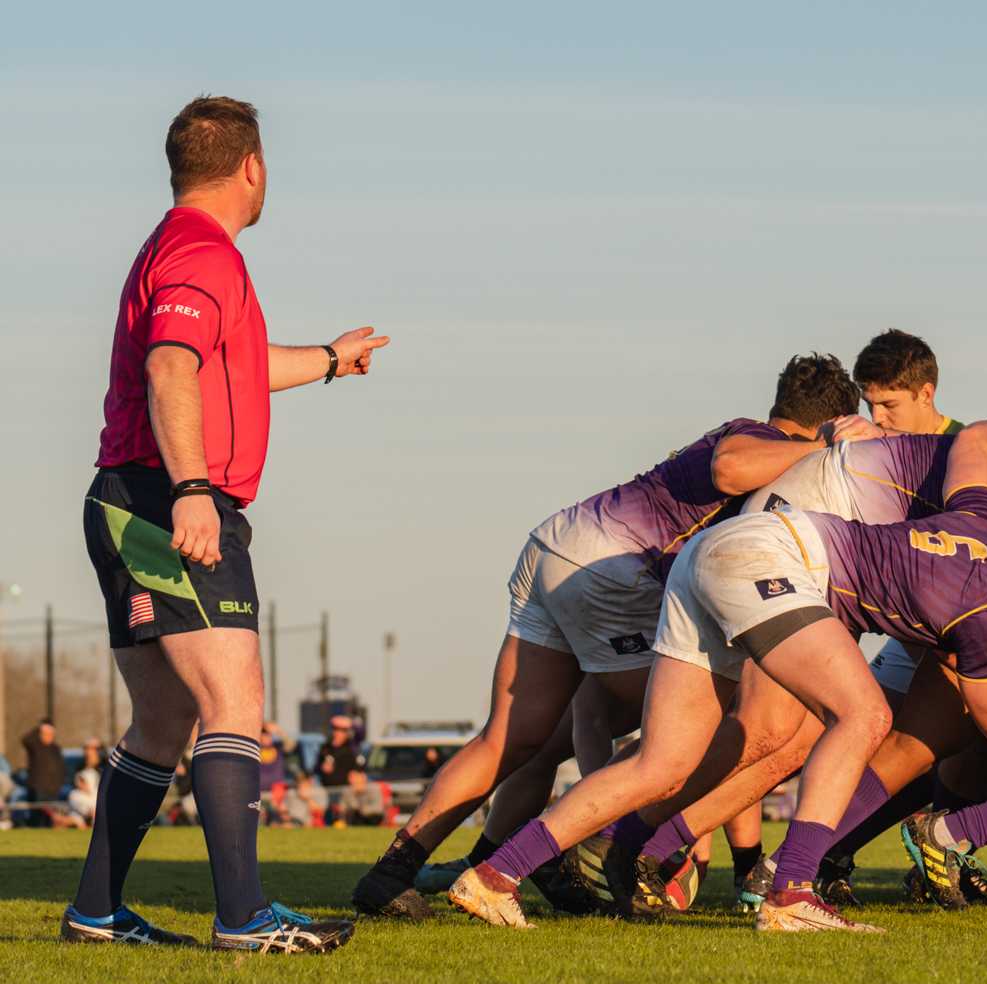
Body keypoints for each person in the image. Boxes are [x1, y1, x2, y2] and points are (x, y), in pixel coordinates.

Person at [448, 417, 987, 933]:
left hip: (720, 551)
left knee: (661, 766)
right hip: (775, 556)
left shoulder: (983, 519)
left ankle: (494, 874)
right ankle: (792, 889)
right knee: (865, 715)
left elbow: (975, 441)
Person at [348, 353, 870, 919]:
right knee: (710, 725)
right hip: (609, 571)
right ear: (825, 421)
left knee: (517, 740)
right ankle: (593, 851)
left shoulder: (752, 437)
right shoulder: (762, 440)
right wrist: (826, 448)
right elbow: (729, 467)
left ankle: (392, 873)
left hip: (557, 548)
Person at [67, 95, 373, 951]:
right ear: (253, 167)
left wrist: (327, 360)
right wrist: (194, 488)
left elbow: (223, 368)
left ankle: (95, 910)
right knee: (234, 700)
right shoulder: (202, 252)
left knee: (162, 722)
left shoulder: (187, 251)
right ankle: (244, 919)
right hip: (166, 501)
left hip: (131, 495)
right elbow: (171, 367)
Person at [853, 329, 962, 435]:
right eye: (870, 405)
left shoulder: (969, 447)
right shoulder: (866, 447)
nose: (876, 419)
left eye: (889, 405)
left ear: (925, 395)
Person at [313, 715, 363, 790]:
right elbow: (316, 769)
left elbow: (358, 768)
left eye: (342, 731)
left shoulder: (352, 748)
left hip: (346, 792)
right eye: (335, 729)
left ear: (347, 733)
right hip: (327, 790)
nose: (337, 733)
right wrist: (322, 768)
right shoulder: (325, 748)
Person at [20, 720, 66, 802]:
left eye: (51, 734)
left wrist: (59, 784)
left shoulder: (56, 749)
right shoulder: (35, 746)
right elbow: (25, 739)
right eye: (46, 734)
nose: (49, 736)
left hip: (53, 791)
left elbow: (61, 768)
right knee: (38, 813)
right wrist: (38, 729)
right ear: (41, 734)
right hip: (38, 790)